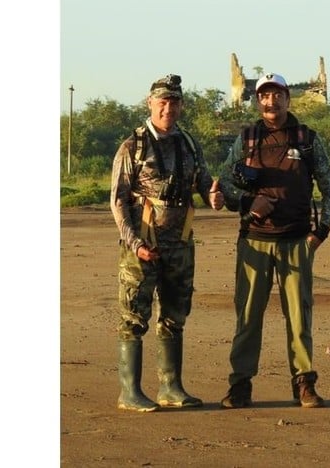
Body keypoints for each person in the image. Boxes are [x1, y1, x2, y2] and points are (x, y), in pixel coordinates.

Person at [218, 72, 330, 409]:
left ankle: (304, 383)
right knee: (248, 316)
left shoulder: (307, 139)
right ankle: (240, 385)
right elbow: (224, 183)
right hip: (254, 242)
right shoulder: (246, 140)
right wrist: (246, 202)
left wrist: (321, 233)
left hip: (297, 240)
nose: (270, 102)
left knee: (300, 317)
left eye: (277, 95)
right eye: (264, 96)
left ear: (288, 98)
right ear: (257, 101)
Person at [110, 73, 225, 412]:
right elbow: (118, 201)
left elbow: (204, 183)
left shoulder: (188, 143)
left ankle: (170, 388)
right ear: (150, 103)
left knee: (175, 315)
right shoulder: (133, 145)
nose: (168, 108)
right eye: (162, 102)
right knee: (134, 316)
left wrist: (214, 196)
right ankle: (129, 392)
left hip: (180, 244)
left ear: (181, 105)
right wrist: (134, 244)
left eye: (174, 102)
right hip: (143, 244)